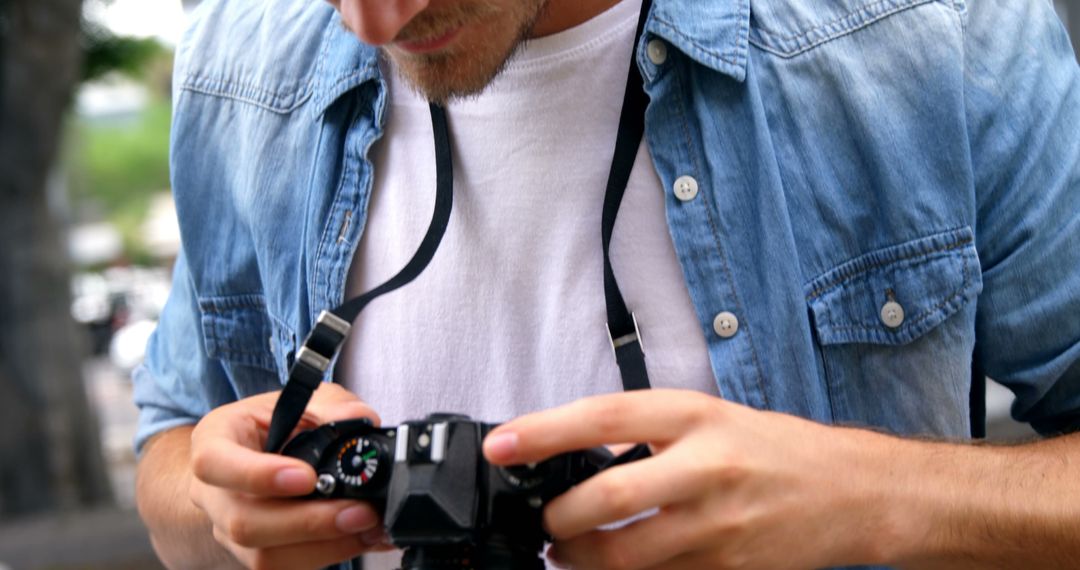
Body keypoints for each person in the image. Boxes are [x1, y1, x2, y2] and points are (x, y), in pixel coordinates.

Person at [133, 0, 1080, 568]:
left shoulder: (928, 30)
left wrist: (873, 498)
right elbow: (171, 450)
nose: (374, 21)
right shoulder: (240, 62)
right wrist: (221, 507)